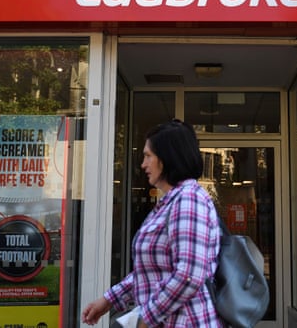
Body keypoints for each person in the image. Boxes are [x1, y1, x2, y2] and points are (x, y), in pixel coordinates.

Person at [82, 119, 224, 327]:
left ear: (167, 157)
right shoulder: (171, 201)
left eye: (148, 156)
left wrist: (144, 319)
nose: (143, 164)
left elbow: (188, 275)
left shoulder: (189, 199)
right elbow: (151, 270)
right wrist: (109, 300)